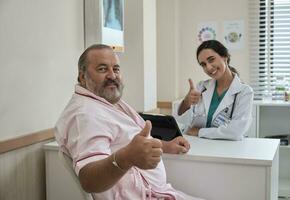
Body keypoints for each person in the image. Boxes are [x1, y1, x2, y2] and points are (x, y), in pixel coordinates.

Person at [55, 44, 204, 200]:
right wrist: (126, 158)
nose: (112, 75)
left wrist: (165, 146)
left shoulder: (106, 102)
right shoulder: (85, 115)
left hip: (159, 193)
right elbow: (89, 180)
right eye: (102, 69)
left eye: (116, 69)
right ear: (82, 77)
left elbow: (128, 142)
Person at [174, 40, 253, 141]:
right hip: (200, 147)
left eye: (211, 60)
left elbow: (236, 131)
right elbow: (184, 125)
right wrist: (186, 102)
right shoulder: (201, 87)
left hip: (228, 150)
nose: (208, 67)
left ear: (225, 57)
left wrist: (199, 132)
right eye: (203, 64)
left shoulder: (244, 92)